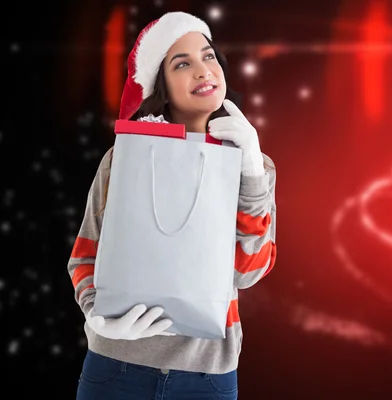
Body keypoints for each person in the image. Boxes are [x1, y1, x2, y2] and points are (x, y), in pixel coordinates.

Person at [67, 11, 277, 399]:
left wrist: (249, 172)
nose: (203, 70)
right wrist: (97, 316)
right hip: (115, 365)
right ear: (162, 84)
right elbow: (84, 257)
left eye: (209, 56)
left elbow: (250, 270)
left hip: (207, 376)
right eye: (182, 63)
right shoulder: (123, 159)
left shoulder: (255, 167)